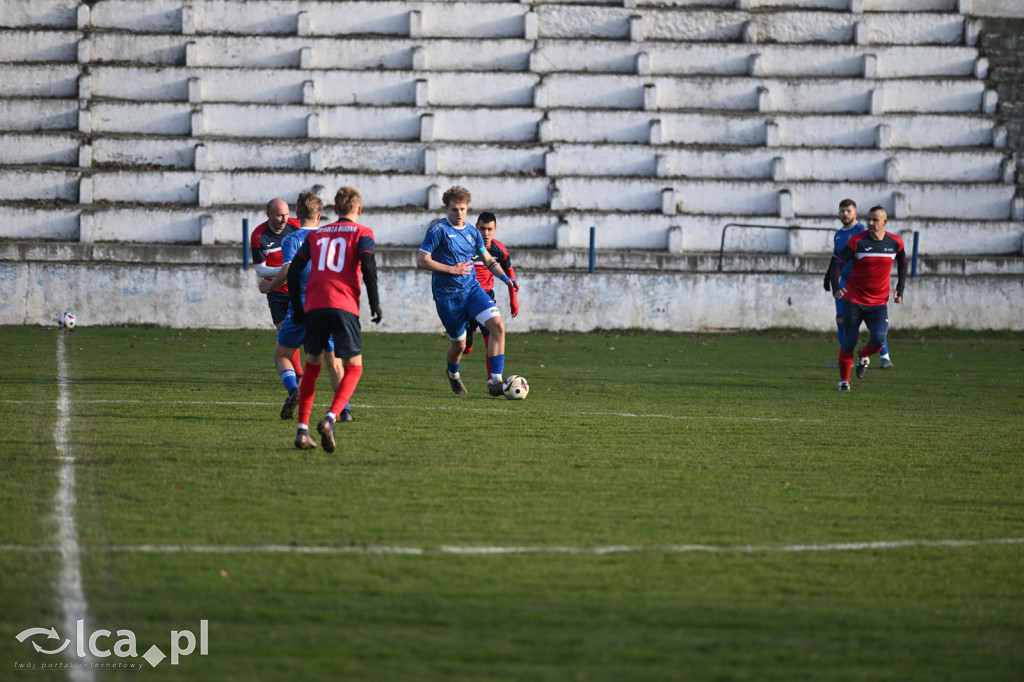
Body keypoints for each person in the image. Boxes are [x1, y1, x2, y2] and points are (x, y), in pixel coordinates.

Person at [287, 187, 382, 452]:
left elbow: (294, 271)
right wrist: (374, 303)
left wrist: (298, 308)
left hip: (315, 305)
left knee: (312, 366)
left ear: (335, 210)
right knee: (354, 368)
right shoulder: (363, 232)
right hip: (343, 305)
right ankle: (330, 418)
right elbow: (368, 266)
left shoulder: (316, 234)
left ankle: (302, 431)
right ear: (359, 210)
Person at [416, 186, 520, 396]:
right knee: (460, 345)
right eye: (455, 209)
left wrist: (505, 278)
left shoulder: (473, 232)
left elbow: (488, 260)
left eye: (463, 209)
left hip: (472, 291)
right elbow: (422, 261)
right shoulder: (438, 230)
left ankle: (495, 382)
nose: (459, 213)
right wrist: (451, 269)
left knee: (498, 326)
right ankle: (453, 374)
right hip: (447, 298)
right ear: (446, 208)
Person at [259, 191, 346, 422]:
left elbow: (288, 270)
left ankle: (293, 390)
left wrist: (269, 287)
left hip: (302, 306)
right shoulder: (331, 239)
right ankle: (344, 410)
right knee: (333, 360)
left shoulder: (292, 239)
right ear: (319, 215)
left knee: (282, 354)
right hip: (328, 306)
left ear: (297, 214)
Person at [829, 206, 907, 392]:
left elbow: (903, 263)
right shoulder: (857, 241)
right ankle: (844, 381)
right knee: (848, 343)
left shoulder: (895, 242)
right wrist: (836, 287)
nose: (870, 223)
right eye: (869, 219)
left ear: (884, 222)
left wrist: (900, 289)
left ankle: (864, 355)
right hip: (853, 301)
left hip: (878, 303)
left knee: (879, 341)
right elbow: (837, 264)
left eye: (875, 220)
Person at [824, 199, 893, 368]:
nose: (845, 214)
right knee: (841, 319)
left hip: (861, 285)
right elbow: (836, 259)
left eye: (848, 211)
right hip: (844, 282)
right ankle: (846, 357)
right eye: (842, 211)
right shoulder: (838, 235)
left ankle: (884, 356)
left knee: (872, 322)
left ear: (855, 213)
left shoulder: (863, 231)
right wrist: (828, 278)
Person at [252, 197, 304, 381]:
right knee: (286, 333)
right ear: (269, 215)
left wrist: (290, 271)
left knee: (301, 333)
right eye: (279, 216)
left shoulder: (296, 226)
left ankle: (301, 374)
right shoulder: (258, 236)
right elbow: (260, 269)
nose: (284, 220)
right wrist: (285, 270)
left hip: (299, 289)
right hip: (276, 292)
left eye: (286, 215)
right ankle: (299, 375)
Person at [464, 212, 519, 376]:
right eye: (482, 229)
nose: (485, 233)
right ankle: (466, 344)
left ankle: (493, 380)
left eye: (489, 229)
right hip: (466, 298)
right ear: (476, 228)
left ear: (495, 229)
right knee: (464, 347)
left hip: (486, 298)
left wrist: (513, 301)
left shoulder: (499, 250)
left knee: (493, 337)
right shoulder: (466, 247)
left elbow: (509, 272)